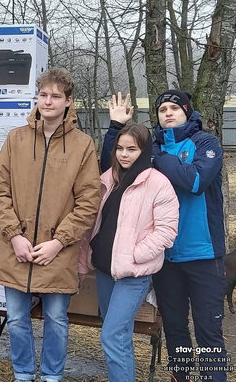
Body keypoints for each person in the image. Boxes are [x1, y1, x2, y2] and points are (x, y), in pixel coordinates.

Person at [102, 91, 227, 382]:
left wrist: (159, 156)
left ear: (187, 111)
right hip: (166, 257)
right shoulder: (153, 146)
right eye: (162, 110)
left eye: (174, 108)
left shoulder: (205, 143)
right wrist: (116, 128)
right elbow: (113, 170)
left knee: (208, 330)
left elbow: (194, 181)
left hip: (203, 253)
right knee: (174, 328)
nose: (168, 113)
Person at [0, 67, 101, 382]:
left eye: (55, 96)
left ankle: (52, 376)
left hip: (58, 250)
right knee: (16, 319)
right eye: (43, 95)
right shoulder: (16, 139)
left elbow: (88, 202)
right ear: (36, 99)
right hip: (17, 248)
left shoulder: (83, 145)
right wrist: (14, 236)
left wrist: (58, 242)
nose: (48, 101)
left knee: (56, 319)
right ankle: (23, 374)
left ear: (68, 101)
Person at [78, 123, 179, 382]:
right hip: (103, 270)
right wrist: (84, 262)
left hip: (132, 274)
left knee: (112, 335)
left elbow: (167, 231)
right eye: (120, 148)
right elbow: (92, 226)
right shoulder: (106, 180)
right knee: (118, 336)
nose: (124, 154)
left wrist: (135, 254)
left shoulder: (158, 183)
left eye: (132, 149)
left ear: (144, 151)